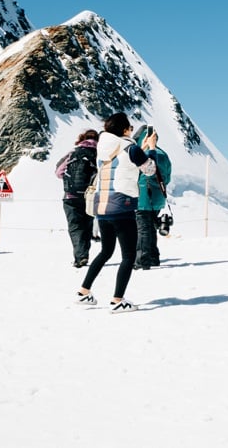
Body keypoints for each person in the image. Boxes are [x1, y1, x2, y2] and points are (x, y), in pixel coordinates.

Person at [76, 112, 157, 313]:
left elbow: (123, 161)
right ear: (124, 130)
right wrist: (152, 149)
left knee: (106, 251)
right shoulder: (130, 148)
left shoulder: (103, 149)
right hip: (123, 207)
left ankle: (84, 291)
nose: (131, 130)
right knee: (128, 255)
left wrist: (141, 148)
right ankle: (117, 300)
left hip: (103, 207)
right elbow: (150, 170)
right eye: (129, 128)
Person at [54, 129, 98, 267]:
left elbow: (58, 172)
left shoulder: (72, 153)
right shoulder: (98, 154)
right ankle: (83, 254)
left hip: (70, 196)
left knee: (75, 227)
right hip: (89, 196)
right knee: (87, 225)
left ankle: (80, 256)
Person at [133, 125, 171, 271]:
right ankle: (154, 257)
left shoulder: (143, 154)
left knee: (142, 229)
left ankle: (142, 260)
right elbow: (166, 177)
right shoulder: (164, 154)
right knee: (150, 228)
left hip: (142, 196)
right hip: (158, 197)